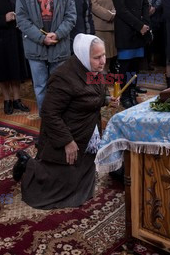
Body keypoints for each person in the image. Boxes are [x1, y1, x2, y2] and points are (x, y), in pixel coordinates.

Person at [15, 34, 119, 209]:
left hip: (86, 134)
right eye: (97, 57)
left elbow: (94, 95)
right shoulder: (63, 77)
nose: (103, 62)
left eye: (103, 55)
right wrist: (67, 141)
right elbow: (49, 113)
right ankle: (27, 166)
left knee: (81, 186)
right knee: (55, 191)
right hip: (67, 134)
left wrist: (107, 100)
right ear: (84, 56)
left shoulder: (93, 70)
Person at [16, 0, 76, 113]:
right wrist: (42, 38)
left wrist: (57, 34)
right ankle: (46, 117)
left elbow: (71, 17)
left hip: (59, 44)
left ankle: (59, 116)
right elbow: (22, 20)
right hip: (35, 47)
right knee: (41, 85)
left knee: (59, 85)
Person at [110, 0, 151, 108]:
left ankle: (132, 91)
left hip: (140, 31)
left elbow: (145, 4)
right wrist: (140, 25)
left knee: (135, 65)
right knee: (125, 66)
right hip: (126, 30)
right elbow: (121, 9)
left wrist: (146, 23)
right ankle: (125, 95)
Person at [86, 0, 117, 72]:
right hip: (101, 27)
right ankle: (98, 84)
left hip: (112, 26)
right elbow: (94, 6)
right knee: (100, 58)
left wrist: (114, 13)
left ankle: (105, 83)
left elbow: (115, 3)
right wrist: (110, 15)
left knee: (110, 57)